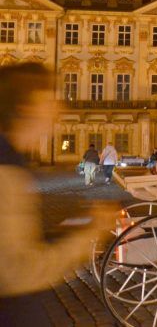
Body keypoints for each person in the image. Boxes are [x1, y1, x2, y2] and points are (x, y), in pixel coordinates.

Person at [0, 63, 116, 326]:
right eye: (48, 101)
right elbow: (18, 272)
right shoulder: (5, 172)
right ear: (25, 107)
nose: (58, 110)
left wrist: (70, 227)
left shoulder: (12, 161)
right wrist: (89, 234)